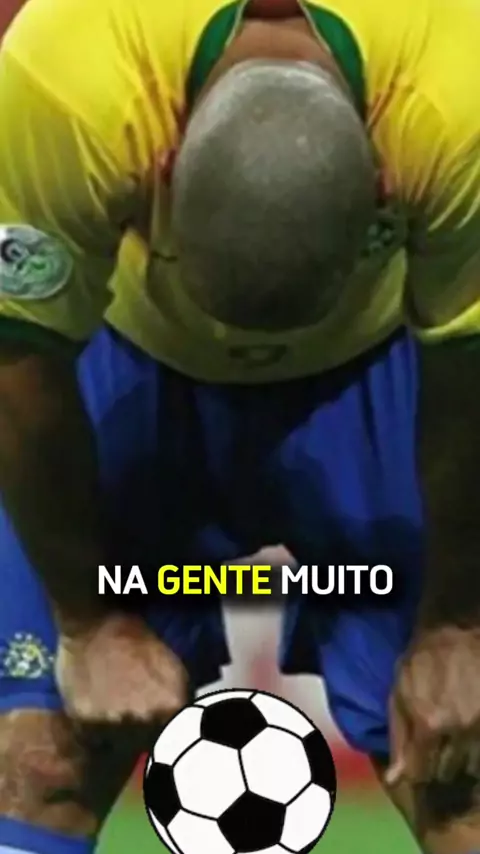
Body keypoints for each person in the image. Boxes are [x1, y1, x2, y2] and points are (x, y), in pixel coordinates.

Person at [0, 0, 479, 852]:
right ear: (164, 163)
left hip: (378, 372)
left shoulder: (461, 100)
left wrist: (457, 625)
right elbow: (16, 363)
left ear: (385, 186)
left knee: (463, 757)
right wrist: (86, 622)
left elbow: (468, 373)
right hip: (133, 357)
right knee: (36, 758)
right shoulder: (64, 82)